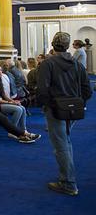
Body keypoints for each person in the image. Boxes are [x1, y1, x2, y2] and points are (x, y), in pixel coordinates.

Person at [38, 32, 92, 196]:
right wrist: (77, 102)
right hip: (73, 110)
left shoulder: (48, 64)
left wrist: (49, 106)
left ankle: (68, 183)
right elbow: (87, 90)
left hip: (55, 110)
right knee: (66, 143)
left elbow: (42, 90)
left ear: (53, 45)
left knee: (61, 146)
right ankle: (67, 178)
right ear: (68, 45)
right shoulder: (77, 64)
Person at [0, 64, 28, 134]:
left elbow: (3, 95)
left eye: (1, 70)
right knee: (18, 109)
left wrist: (13, 101)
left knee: (22, 108)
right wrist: (10, 103)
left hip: (0, 102)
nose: (0, 72)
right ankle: (12, 131)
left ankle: (23, 129)